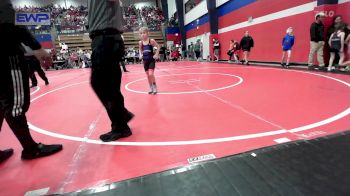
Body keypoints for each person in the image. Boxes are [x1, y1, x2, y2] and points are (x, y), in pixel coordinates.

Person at [0, 0, 62, 163]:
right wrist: (38, 48)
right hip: (7, 55)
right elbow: (11, 23)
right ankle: (30, 149)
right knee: (15, 104)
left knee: (0, 104)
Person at [88, 0, 134, 142]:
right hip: (106, 39)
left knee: (101, 84)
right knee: (109, 86)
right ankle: (121, 118)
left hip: (106, 38)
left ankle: (120, 125)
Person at [138, 27, 160, 94]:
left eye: (144, 33)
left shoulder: (151, 41)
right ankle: (150, 87)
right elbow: (140, 49)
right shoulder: (140, 42)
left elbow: (158, 46)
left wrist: (156, 54)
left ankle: (154, 86)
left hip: (151, 60)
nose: (142, 34)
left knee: (151, 74)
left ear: (148, 33)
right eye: (141, 33)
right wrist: (140, 54)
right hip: (145, 61)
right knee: (148, 75)